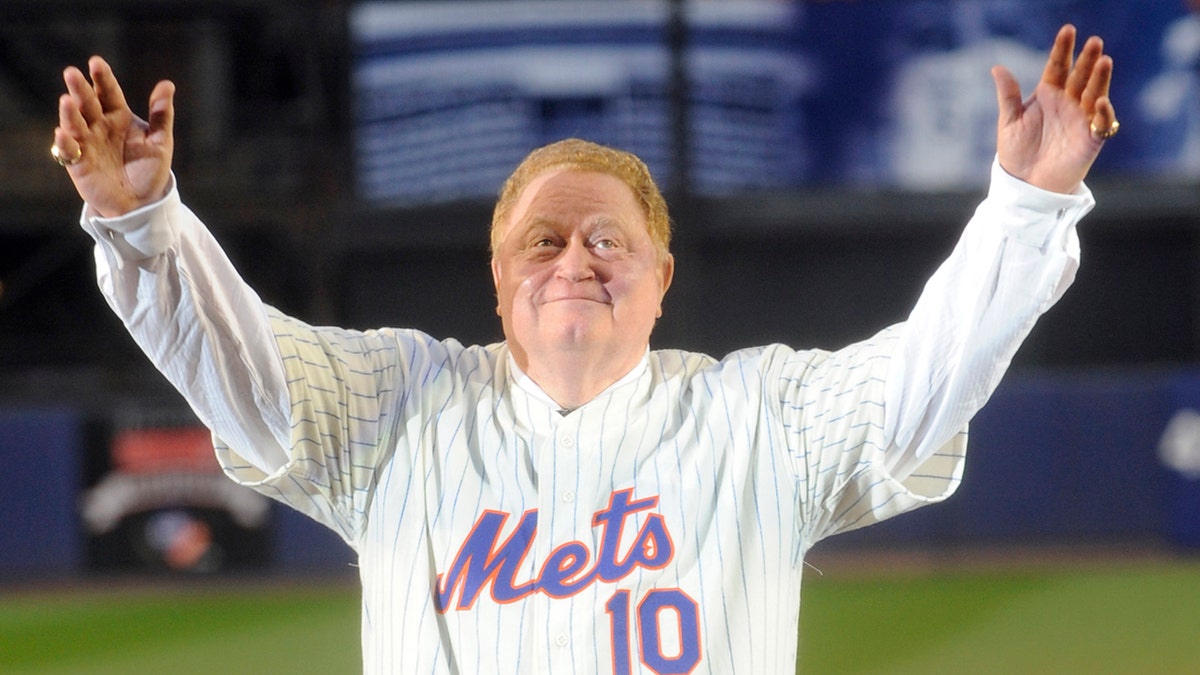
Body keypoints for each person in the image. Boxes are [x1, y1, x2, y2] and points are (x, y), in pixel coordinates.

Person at [53, 24, 1116, 675]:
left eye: (611, 240)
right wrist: (148, 225)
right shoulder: (402, 410)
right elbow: (246, 377)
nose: (575, 260)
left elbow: (919, 387)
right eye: (542, 241)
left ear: (661, 280)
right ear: (500, 286)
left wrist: (1027, 206)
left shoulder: (758, 419)